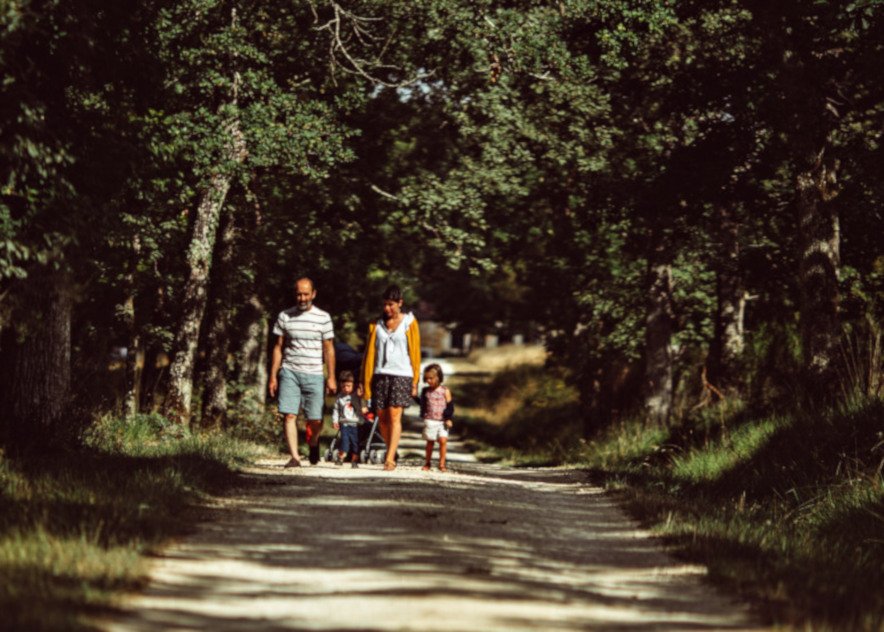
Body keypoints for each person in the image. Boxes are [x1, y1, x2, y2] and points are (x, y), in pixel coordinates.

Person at [268, 277, 336, 467]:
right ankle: (295, 457)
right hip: (290, 371)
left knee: (315, 419)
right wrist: (273, 376)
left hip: (314, 372)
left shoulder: (323, 317)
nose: (302, 298)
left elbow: (329, 349)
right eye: (299, 294)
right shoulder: (285, 316)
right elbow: (278, 348)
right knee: (289, 415)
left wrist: (331, 377)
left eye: (306, 294)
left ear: (313, 294)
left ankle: (313, 442)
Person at [360, 284, 421, 471]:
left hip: (402, 375)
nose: (387, 308)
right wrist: (363, 381)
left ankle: (389, 459)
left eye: (391, 304)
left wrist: (415, 381)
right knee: (382, 417)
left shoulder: (409, 323)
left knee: (395, 415)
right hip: (380, 374)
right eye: (385, 304)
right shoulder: (375, 325)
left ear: (400, 303)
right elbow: (368, 355)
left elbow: (415, 352)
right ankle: (391, 449)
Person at [417, 363, 454, 472]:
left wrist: (448, 418)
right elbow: (422, 403)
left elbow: (450, 406)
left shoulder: (445, 390)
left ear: (438, 377)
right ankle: (427, 462)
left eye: (431, 378)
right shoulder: (425, 391)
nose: (428, 380)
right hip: (430, 420)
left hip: (442, 421)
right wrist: (413, 396)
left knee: (443, 441)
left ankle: (442, 464)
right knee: (430, 442)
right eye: (426, 378)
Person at [332, 370, 367, 468]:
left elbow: (363, 399)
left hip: (356, 423)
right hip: (344, 423)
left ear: (353, 385)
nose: (346, 388)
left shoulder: (356, 395)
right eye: (343, 386)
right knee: (344, 441)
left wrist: (363, 405)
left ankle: (354, 460)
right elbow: (336, 410)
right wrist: (335, 421)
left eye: (348, 386)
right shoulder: (339, 397)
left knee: (355, 442)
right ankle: (341, 458)